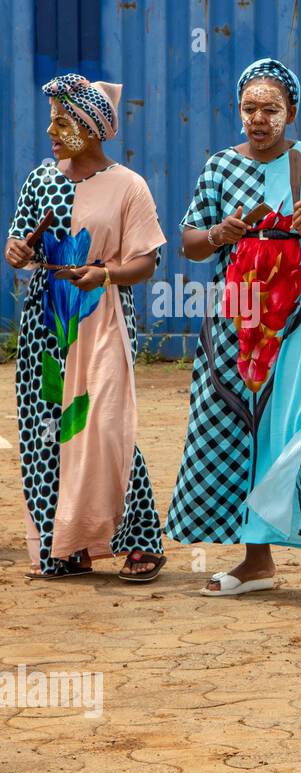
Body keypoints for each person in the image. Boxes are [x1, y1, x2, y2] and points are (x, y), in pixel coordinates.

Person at [165, 58, 301, 607]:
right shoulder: (220, 168)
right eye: (250, 108)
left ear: (292, 113)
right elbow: (188, 242)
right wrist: (218, 232)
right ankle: (257, 559)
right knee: (237, 423)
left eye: (270, 109)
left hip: (298, 323)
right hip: (236, 319)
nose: (259, 119)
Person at [4, 74, 166, 582]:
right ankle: (63, 546)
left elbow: (145, 264)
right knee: (44, 431)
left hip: (101, 323)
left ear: (92, 128)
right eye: (51, 119)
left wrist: (106, 273)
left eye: (63, 120)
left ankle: (139, 539)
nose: (51, 130)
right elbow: (19, 245)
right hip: (45, 327)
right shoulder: (40, 180)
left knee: (103, 429)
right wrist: (17, 252)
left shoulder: (129, 186)